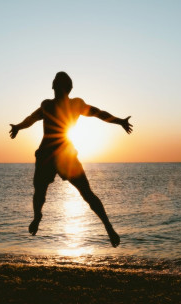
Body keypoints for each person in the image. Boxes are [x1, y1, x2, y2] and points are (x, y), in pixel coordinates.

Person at [9, 72, 132, 247]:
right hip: (48, 155)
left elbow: (99, 113)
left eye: (57, 84)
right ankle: (37, 216)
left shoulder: (75, 104)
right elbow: (31, 119)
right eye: (54, 84)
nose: (55, 88)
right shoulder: (48, 105)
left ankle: (109, 227)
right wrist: (18, 127)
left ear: (65, 88)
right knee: (40, 191)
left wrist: (119, 121)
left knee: (86, 193)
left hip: (64, 155)